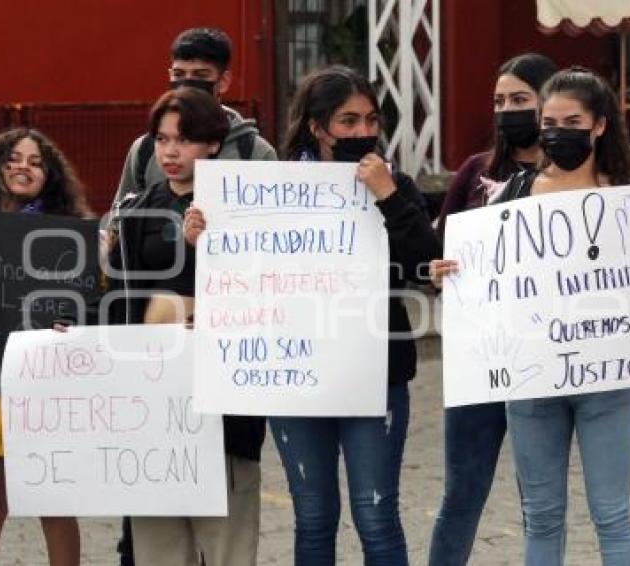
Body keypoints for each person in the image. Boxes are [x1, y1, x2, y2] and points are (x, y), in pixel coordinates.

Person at [432, 67, 630, 566]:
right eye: (549, 121)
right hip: (532, 382)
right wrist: (449, 273)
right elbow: (485, 283)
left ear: (598, 126)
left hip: (608, 381)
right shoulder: (511, 194)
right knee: (542, 516)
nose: (557, 131)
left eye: (572, 120)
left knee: (612, 516)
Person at [185, 65, 441, 565]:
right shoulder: (273, 190)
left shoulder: (397, 186)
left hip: (375, 374)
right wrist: (200, 239)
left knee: (376, 515)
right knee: (314, 515)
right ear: (317, 127)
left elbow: (426, 266)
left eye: (370, 120)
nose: (362, 131)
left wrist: (388, 197)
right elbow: (239, 275)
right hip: (293, 374)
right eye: (347, 121)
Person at [105, 87, 263, 566]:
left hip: (224, 402)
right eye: (161, 139)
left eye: (185, 140)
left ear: (213, 144)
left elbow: (265, 293)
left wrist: (206, 251)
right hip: (153, 402)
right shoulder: (135, 210)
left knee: (228, 545)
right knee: (158, 548)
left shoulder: (246, 206)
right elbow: (119, 300)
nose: (170, 152)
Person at [428, 53, 557, 566]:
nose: (507, 110)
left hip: (546, 361)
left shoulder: (580, 178)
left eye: (520, 99)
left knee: (540, 501)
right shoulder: (474, 173)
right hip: (478, 359)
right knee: (462, 493)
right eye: (500, 101)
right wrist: (436, 271)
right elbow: (435, 252)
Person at [0, 127, 92, 566]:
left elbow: (92, 304)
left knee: (54, 506)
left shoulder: (71, 233)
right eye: (14, 158)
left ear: (49, 175)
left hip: (47, 391)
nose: (23, 167)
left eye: (35, 161)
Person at [112, 27, 276, 210]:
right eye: (179, 75)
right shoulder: (145, 149)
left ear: (223, 82)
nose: (187, 84)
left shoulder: (255, 152)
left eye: (200, 75)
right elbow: (119, 221)